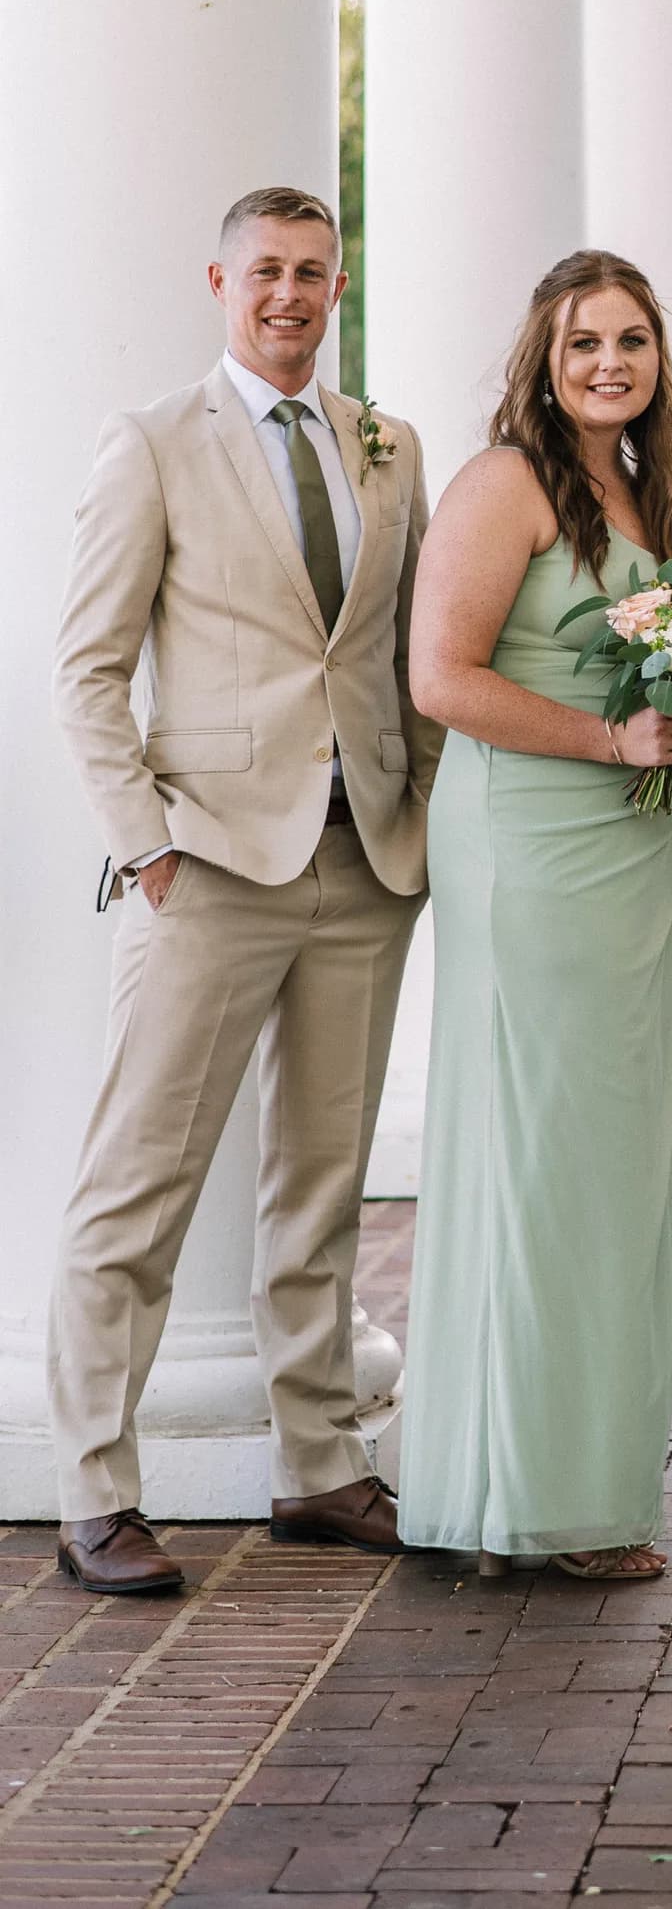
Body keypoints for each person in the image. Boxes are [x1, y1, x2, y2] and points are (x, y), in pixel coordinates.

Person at [48, 187, 437, 1595]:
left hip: (364, 859)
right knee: (137, 1188)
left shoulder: (386, 446)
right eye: (266, 269)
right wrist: (147, 841)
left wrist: (421, 803)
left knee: (322, 1187)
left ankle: (319, 1468)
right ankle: (96, 1486)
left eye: (315, 272)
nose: (291, 293)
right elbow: (89, 665)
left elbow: (405, 652)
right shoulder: (153, 441)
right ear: (220, 279)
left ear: (341, 284)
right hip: (205, 865)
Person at [398, 252, 672, 1579]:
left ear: (657, 364)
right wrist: (605, 740)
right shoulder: (502, 484)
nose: (607, 364)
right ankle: (518, 1498)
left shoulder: (657, 503)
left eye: (631, 342)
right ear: (544, 354)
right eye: (584, 342)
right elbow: (440, 677)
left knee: (617, 1175)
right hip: (528, 849)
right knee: (534, 1157)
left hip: (636, 863)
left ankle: (591, 1487)